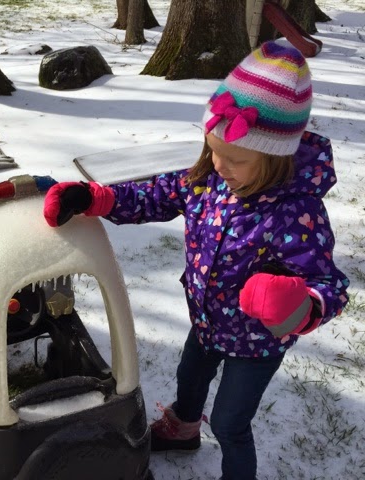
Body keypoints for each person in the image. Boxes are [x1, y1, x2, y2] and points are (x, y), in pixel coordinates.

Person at [42, 41, 349, 480]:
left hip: (257, 344)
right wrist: (97, 199)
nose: (219, 165)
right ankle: (183, 430)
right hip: (206, 322)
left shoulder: (296, 211)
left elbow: (328, 284)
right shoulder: (210, 180)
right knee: (189, 379)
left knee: (229, 423)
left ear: (275, 158)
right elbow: (156, 195)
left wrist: (301, 305)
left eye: (236, 159)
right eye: (212, 149)